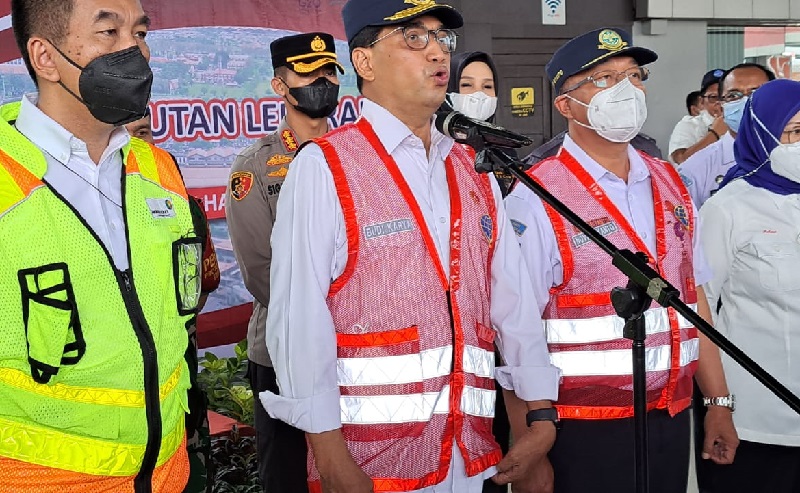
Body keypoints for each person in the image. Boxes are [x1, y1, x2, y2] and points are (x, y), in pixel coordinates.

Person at [261, 1, 563, 492]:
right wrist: (332, 459)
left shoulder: (473, 166)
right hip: (369, 462)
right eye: (414, 38)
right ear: (364, 62)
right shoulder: (326, 167)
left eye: (442, 39)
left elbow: (513, 304)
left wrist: (540, 417)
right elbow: (299, 322)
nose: (437, 54)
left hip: (470, 456)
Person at [504, 28, 738, 493]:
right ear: (566, 105)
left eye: (633, 75)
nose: (625, 90)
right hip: (580, 425)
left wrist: (718, 401)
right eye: (604, 79)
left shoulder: (670, 182)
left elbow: (694, 299)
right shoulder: (537, 195)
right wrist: (529, 441)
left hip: (669, 416)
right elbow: (513, 328)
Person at [1, 0, 199, 492]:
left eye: (140, 32)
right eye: (108, 32)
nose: (134, 51)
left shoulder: (159, 172)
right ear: (44, 58)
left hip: (168, 476)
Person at [226, 31, 344, 493]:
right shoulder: (255, 165)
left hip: (357, 350)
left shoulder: (361, 155)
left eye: (330, 70)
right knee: (290, 477)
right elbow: (261, 272)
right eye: (308, 72)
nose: (322, 79)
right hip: (282, 353)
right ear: (281, 87)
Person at [699, 78, 800, 493]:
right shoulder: (728, 207)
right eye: (793, 133)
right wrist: (717, 406)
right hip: (758, 419)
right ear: (763, 135)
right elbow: (700, 308)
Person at [125, 110, 221, 493]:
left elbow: (201, 285)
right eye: (127, 134)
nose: (137, 145)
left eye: (143, 132)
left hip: (177, 375)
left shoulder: (176, 199)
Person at [679, 63, 775, 207]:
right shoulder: (695, 169)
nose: (746, 102)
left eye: (756, 93)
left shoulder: (793, 157)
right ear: (721, 105)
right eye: (733, 95)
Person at [444, 51, 518, 197]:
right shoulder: (435, 148)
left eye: (487, 86)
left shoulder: (504, 150)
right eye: (467, 84)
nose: (479, 94)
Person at [668, 69, 728, 165]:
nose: (720, 102)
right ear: (701, 101)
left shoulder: (742, 123)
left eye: (725, 96)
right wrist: (715, 133)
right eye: (713, 97)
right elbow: (681, 159)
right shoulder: (689, 125)